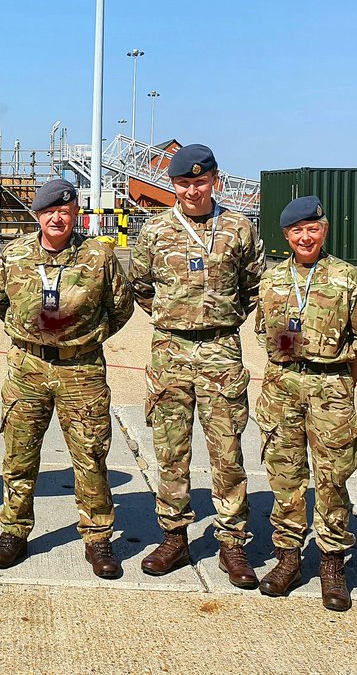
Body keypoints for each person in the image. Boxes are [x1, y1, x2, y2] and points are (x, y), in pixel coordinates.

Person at [128, 144, 265, 588]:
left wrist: (218, 318)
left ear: (215, 180)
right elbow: (141, 286)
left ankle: (232, 541)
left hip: (221, 350)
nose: (192, 190)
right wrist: (176, 316)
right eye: (184, 183)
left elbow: (253, 287)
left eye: (200, 181)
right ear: (173, 186)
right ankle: (173, 535)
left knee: (227, 450)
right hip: (169, 351)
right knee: (170, 450)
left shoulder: (238, 228)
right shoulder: (155, 232)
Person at [0, 179, 134, 578]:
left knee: (90, 457)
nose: (58, 218)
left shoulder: (98, 257)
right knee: (19, 455)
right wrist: (34, 336)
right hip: (27, 370)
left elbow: (121, 306)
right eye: (50, 211)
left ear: (75, 214)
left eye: (65, 212)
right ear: (37, 214)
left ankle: (98, 537)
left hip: (81, 370)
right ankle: (14, 530)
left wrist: (87, 338)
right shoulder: (14, 255)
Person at [253, 195, 357, 609]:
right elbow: (262, 333)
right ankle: (289, 558)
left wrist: (341, 384)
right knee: (285, 477)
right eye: (296, 231)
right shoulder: (271, 281)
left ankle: (332, 563)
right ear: (286, 235)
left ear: (324, 230)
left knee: (333, 477)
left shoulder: (347, 278)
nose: (305, 237)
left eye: (312, 229)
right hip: (281, 386)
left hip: (331, 386)